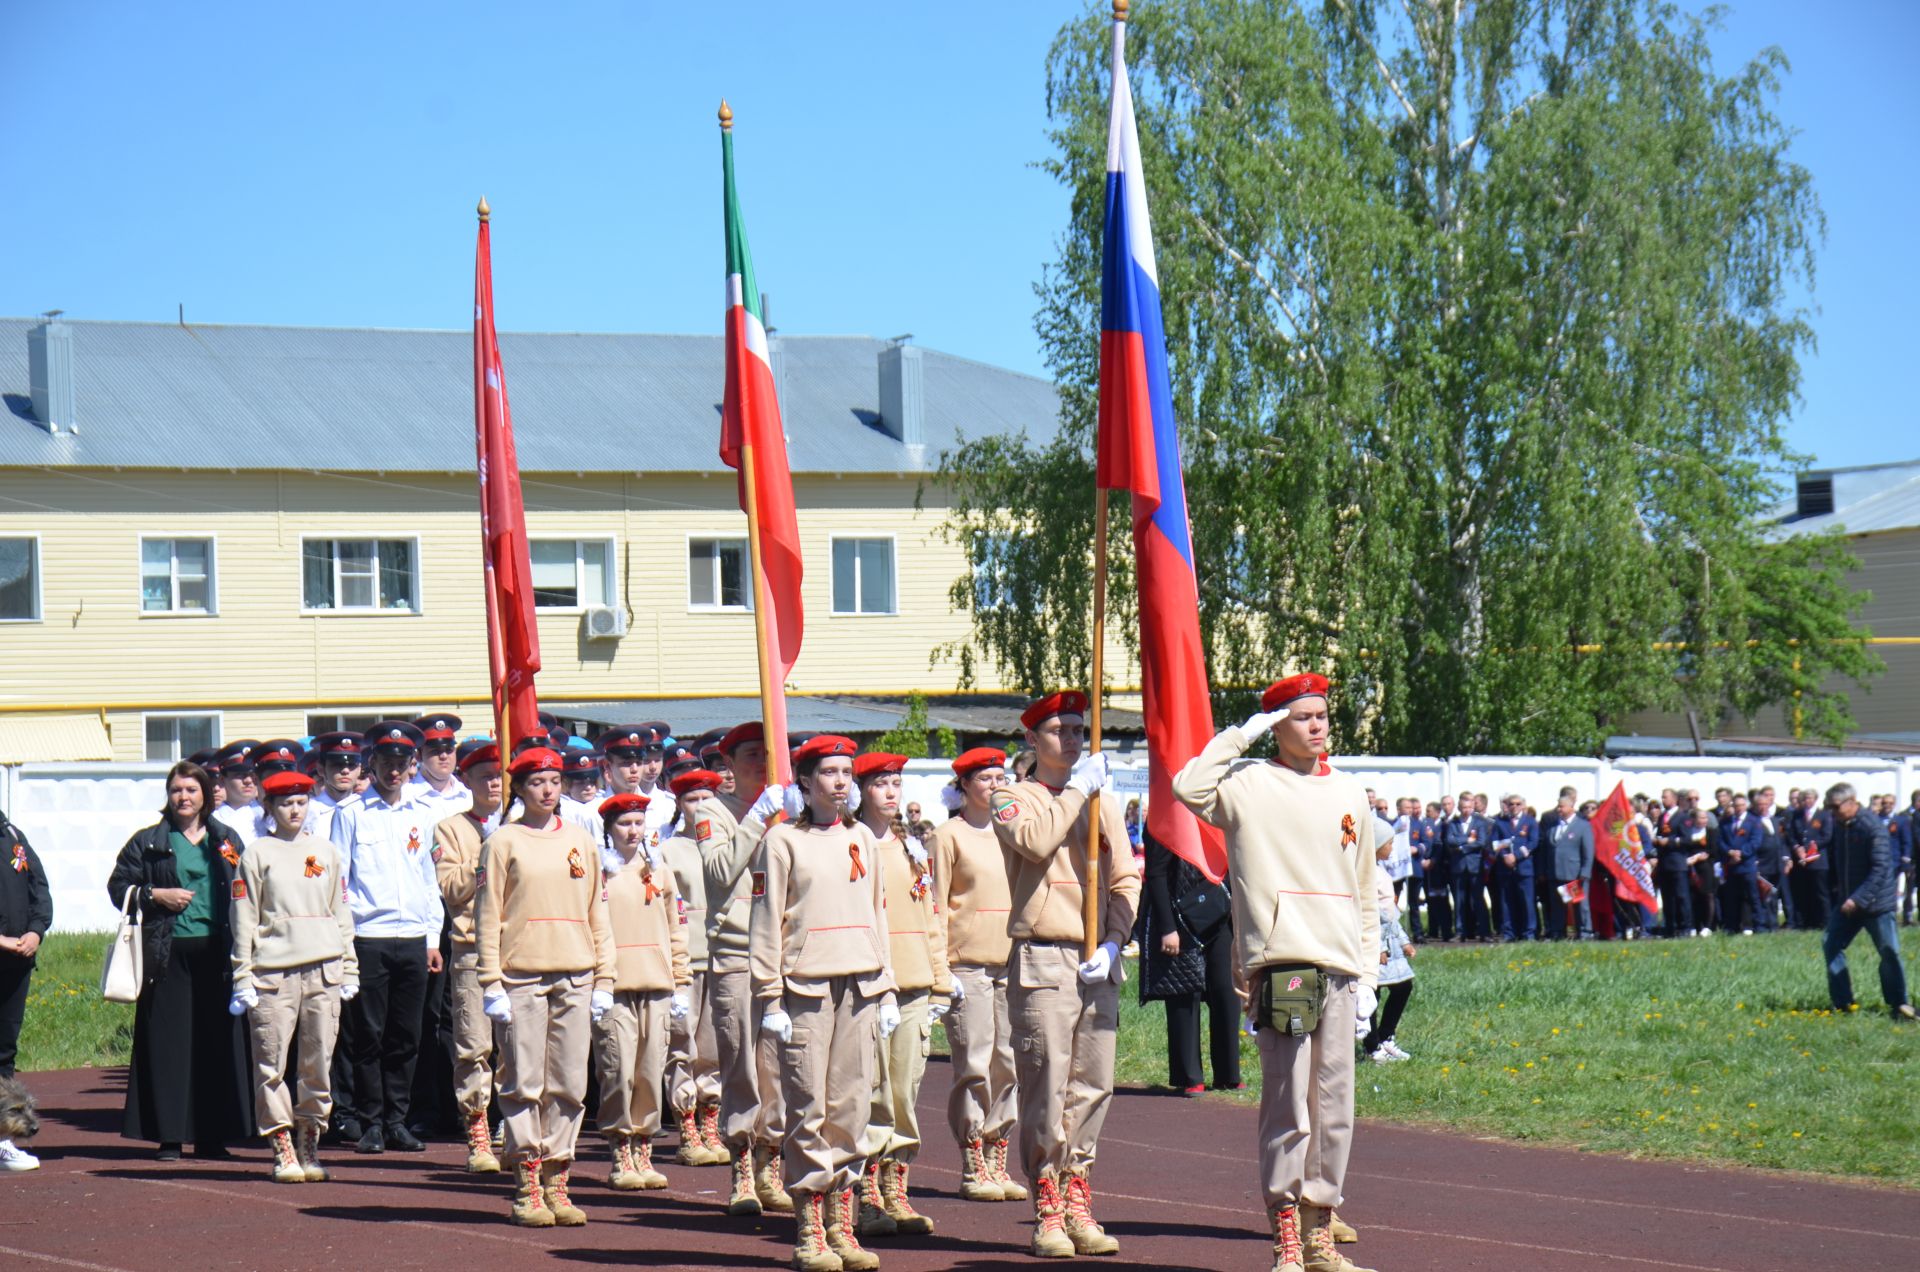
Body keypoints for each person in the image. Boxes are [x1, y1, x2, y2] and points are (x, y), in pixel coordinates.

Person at [1172, 673, 1379, 1272]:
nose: (1317, 727)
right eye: (1302, 717)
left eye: (1322, 715)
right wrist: (1242, 735)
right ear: (1276, 727)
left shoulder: (1350, 792)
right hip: (1285, 961)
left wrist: (1367, 972)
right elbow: (1188, 785)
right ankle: (1286, 1233)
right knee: (1291, 1102)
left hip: (1340, 964)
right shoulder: (1248, 784)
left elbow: (1364, 887)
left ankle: (1320, 1232)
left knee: (1336, 1106)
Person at [990, 690, 1140, 1259]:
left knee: (1094, 1085)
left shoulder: (1098, 799)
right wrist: (1079, 791)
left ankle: (1079, 1192)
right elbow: (1035, 841)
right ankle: (1047, 1201)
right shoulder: (1014, 796)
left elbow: (1127, 877)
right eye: (1059, 730)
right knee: (1045, 1084)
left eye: (1079, 730)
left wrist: (1114, 938)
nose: (1073, 740)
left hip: (1094, 956)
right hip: (1044, 953)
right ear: (1032, 739)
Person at [751, 735, 898, 1272]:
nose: (841, 781)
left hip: (859, 985)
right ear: (806, 783)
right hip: (805, 989)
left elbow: (877, 913)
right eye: (829, 772)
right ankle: (810, 1228)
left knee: (852, 1106)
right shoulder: (782, 841)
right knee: (808, 1107)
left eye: (846, 771)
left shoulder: (864, 837)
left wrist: (886, 984)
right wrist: (769, 996)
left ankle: (841, 1221)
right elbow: (766, 924)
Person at [480, 747, 617, 1228]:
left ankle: (558, 1179)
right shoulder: (503, 841)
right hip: (522, 974)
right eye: (537, 781)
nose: (548, 790)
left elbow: (598, 912)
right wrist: (490, 980)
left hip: (576, 972)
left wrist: (605, 976)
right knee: (523, 1082)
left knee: (570, 1084)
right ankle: (527, 1182)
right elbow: (488, 914)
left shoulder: (582, 838)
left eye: (555, 781)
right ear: (518, 788)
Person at [108, 760, 251, 1160]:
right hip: (165, 952)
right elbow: (117, 885)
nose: (183, 797)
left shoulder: (226, 839)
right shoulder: (149, 840)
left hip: (217, 954)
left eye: (191, 790)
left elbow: (247, 887)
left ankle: (212, 1136)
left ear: (206, 794)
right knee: (168, 1046)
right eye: (176, 790)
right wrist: (155, 895)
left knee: (214, 1045)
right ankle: (169, 1135)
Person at [229, 769, 358, 1183]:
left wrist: (350, 966)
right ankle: (281, 1142)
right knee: (270, 1063)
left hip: (324, 969)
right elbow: (244, 918)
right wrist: (242, 976)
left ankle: (309, 1139)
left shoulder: (327, 851)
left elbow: (341, 912)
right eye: (285, 803)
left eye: (301, 802)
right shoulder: (256, 853)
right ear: (269, 807)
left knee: (317, 1062)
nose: (294, 810)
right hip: (274, 973)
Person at [330, 720, 443, 1153]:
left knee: (407, 1035)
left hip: (413, 937)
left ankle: (398, 1120)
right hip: (369, 936)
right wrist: (346, 941)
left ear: (412, 765)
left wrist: (432, 938)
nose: (393, 771)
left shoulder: (423, 815)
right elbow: (340, 880)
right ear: (371, 764)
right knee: (368, 1035)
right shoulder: (351, 814)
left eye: (401, 762)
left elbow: (430, 879)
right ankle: (370, 1121)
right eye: (385, 762)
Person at [853, 750, 950, 1238]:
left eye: (896, 783)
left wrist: (941, 979)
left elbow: (930, 916)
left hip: (913, 984)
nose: (891, 793)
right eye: (879, 784)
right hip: (869, 986)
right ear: (860, 790)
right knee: (872, 1092)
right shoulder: (851, 845)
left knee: (905, 1090)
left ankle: (896, 1188)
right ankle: (866, 1195)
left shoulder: (910, 846)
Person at [704, 720, 797, 1216]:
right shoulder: (712, 812)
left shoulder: (787, 815)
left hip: (783, 950)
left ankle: (770, 1160)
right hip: (737, 951)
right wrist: (757, 819)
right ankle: (741, 1163)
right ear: (729, 764)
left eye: (766, 757)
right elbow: (720, 872)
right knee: (740, 1061)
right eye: (748, 758)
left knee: (779, 1065)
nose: (759, 766)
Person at [930, 747, 1026, 1204]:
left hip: (1012, 959)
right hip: (966, 962)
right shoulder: (948, 836)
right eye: (984, 778)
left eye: (999, 776)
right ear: (964, 786)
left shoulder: (1014, 832)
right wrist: (939, 968)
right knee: (974, 1061)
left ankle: (998, 1151)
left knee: (1008, 1061)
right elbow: (934, 903)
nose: (994, 785)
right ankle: (972, 1158)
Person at [592, 790, 692, 1192]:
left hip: (657, 983)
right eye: (624, 824)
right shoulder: (600, 874)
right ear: (609, 830)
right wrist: (598, 980)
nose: (632, 832)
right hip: (615, 985)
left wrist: (681, 981)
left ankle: (644, 1148)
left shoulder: (660, 871)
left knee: (651, 1071)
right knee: (618, 1070)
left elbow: (677, 929)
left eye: (638, 823)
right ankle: (620, 1148)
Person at [433, 739, 505, 1173]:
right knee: (474, 1046)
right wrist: (488, 851)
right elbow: (453, 888)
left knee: (518, 1051)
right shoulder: (452, 828)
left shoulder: (525, 826)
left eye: (500, 776)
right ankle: (477, 1129)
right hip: (473, 947)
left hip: (519, 949)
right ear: (467, 781)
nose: (495, 783)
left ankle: (512, 1126)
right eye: (486, 777)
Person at [1142, 822, 1240, 1094]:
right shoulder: (1164, 818)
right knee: (1184, 993)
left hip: (1219, 913)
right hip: (1179, 917)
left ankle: (1228, 1074)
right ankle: (1189, 1076)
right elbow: (1156, 875)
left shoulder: (1218, 816)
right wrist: (1167, 928)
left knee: (1225, 991)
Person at [660, 768, 725, 1166]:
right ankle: (687, 1124)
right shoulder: (669, 849)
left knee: (715, 1046)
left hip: (724, 954)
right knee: (681, 1041)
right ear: (680, 805)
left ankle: (711, 1120)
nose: (700, 808)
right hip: (686, 956)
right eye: (691, 800)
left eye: (706, 799)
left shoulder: (727, 842)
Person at [1815, 783, 1915, 1021]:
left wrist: (1858, 898)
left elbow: (1881, 869)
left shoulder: (1871, 827)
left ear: (1852, 802)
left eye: (1836, 807)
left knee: (1889, 951)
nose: (1832, 812)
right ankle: (1843, 1003)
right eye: (1829, 807)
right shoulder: (1840, 826)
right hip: (1848, 903)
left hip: (1876, 904)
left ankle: (1899, 1004)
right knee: (1831, 944)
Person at [0, 808, 50, 1171]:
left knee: (4, 1050)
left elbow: (39, 890)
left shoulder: (12, 834)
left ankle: (3, 1141)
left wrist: (35, 931)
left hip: (15, 961)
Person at [1363, 823, 1416, 1064]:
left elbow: (1390, 912)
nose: (1392, 848)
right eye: (1389, 843)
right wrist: (1378, 947)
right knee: (1371, 992)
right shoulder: (1364, 873)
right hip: (1375, 941)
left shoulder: (1380, 870)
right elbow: (1368, 912)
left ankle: (1386, 1036)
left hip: (1391, 941)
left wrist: (1403, 941)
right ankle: (1372, 1046)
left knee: (1403, 986)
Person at [1538, 790, 1595, 940]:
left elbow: (1588, 851)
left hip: (1574, 874)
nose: (1559, 809)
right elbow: (1546, 849)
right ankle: (1558, 931)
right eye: (1558, 806)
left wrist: (1585, 871)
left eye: (1561, 806)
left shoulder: (1582, 826)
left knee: (1578, 905)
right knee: (1557, 906)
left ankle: (1584, 931)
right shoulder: (1553, 827)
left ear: (1571, 807)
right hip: (1555, 873)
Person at [1490, 794, 1538, 942]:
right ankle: (1509, 933)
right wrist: (1505, 856)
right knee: (1506, 902)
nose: (1514, 807)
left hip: (1524, 868)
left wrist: (1516, 856)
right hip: (1505, 869)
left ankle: (1529, 933)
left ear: (1523, 805)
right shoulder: (1500, 822)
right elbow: (1495, 843)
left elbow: (1533, 842)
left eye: (1518, 804)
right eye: (1511, 804)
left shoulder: (1530, 822)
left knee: (1527, 901)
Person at [1443, 793, 1490, 942]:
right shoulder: (1453, 823)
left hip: (1475, 866)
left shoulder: (1479, 823)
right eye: (1464, 807)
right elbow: (1449, 840)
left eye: (1469, 807)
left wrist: (1462, 847)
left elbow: (1481, 842)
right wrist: (1466, 840)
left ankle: (1484, 932)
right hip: (1458, 867)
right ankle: (1460, 931)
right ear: (1459, 808)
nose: (1466, 810)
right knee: (1459, 900)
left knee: (1478, 900)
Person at [409, 714, 474, 817]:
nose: (444, 756)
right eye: (435, 751)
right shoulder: (406, 798)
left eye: (449, 750)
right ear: (419, 756)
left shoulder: (469, 796)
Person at [304, 731, 364, 843]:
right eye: (337, 765)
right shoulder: (308, 812)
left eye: (351, 765)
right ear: (321, 769)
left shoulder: (367, 809)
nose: (345, 771)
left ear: (359, 769)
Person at [1718, 793, 1764, 936]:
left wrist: (1741, 854)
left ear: (1746, 806)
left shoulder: (1754, 821)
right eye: (1736, 806)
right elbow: (1720, 841)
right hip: (1731, 865)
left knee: (1752, 897)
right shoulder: (1726, 822)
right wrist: (1730, 852)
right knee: (1732, 897)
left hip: (1747, 865)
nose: (1738, 808)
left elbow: (1755, 842)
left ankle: (1758, 925)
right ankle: (1732, 926)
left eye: (1741, 805)